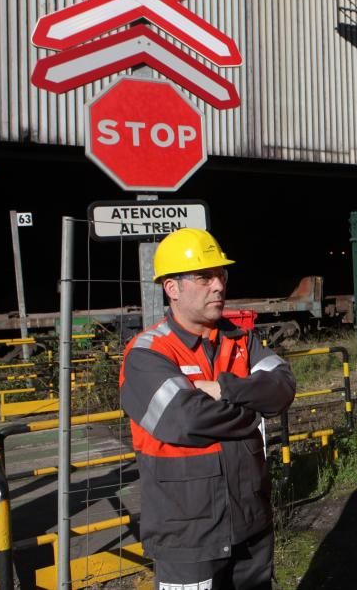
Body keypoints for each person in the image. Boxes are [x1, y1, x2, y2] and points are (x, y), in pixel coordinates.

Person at [119, 228, 296, 590]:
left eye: (221, 275)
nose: (218, 285)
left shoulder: (241, 339)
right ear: (172, 288)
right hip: (187, 535)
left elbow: (282, 388)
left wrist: (225, 388)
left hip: (251, 522)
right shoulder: (146, 353)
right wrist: (252, 412)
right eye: (204, 277)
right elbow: (184, 419)